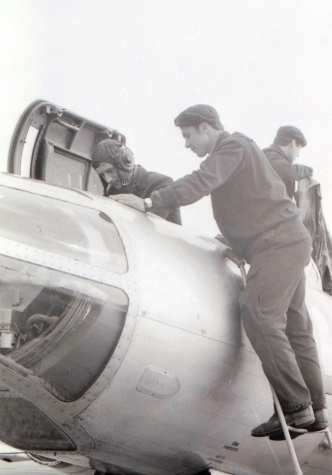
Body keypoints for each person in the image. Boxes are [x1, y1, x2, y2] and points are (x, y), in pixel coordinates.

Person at [111, 104, 328, 439]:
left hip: (276, 244)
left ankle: (295, 407)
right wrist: (235, 241)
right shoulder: (244, 152)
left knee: (257, 312)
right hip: (286, 241)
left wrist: (152, 203)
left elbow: (203, 180)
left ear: (204, 127)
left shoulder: (232, 146)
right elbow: (258, 201)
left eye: (187, 135)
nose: (187, 144)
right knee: (296, 327)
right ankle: (317, 410)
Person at [91, 139, 181, 225]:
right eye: (102, 174)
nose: (108, 179)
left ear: (125, 162)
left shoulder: (161, 184)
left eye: (110, 170)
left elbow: (150, 227)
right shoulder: (113, 191)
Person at [263, 126, 312, 199]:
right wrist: (309, 170)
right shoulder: (269, 156)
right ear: (293, 143)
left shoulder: (271, 157)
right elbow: (288, 171)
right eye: (299, 148)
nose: (298, 154)